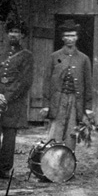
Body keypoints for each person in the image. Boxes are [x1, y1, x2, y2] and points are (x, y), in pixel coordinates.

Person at [0, 21, 33, 180]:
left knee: (9, 138)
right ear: (7, 34)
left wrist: (7, 97)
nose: (13, 34)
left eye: (17, 31)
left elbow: (24, 81)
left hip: (13, 103)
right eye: (11, 31)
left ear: (22, 35)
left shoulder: (27, 56)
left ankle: (5, 169)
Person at [40, 20, 93, 151]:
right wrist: (46, 105)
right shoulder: (54, 57)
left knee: (71, 134)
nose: (70, 39)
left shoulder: (83, 59)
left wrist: (88, 107)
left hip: (75, 102)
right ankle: (52, 166)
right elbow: (47, 81)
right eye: (67, 35)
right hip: (58, 101)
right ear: (63, 38)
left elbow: (88, 84)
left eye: (73, 35)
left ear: (77, 37)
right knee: (55, 134)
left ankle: (67, 168)